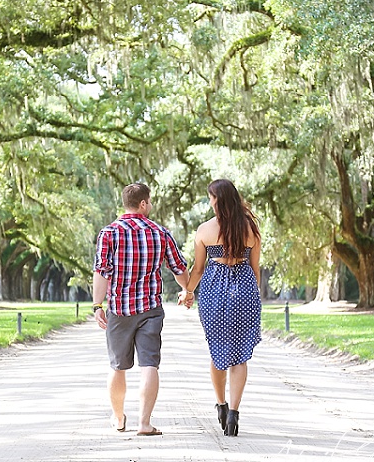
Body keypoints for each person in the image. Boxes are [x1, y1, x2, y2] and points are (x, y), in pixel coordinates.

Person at [93, 183, 190, 436]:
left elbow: (101, 272)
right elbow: (179, 269)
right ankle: (144, 423)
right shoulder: (160, 232)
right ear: (143, 203)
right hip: (150, 308)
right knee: (149, 365)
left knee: (117, 366)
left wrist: (97, 305)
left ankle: (118, 417)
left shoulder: (109, 233)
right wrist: (187, 290)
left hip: (120, 309)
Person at [178, 179, 262, 436]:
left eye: (211, 198)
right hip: (245, 291)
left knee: (218, 352)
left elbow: (199, 269)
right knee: (240, 355)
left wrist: (188, 291)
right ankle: (234, 413)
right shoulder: (250, 228)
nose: (210, 202)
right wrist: (252, 298)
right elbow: (255, 270)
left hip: (215, 293)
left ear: (217, 200)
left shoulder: (205, 230)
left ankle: (222, 405)